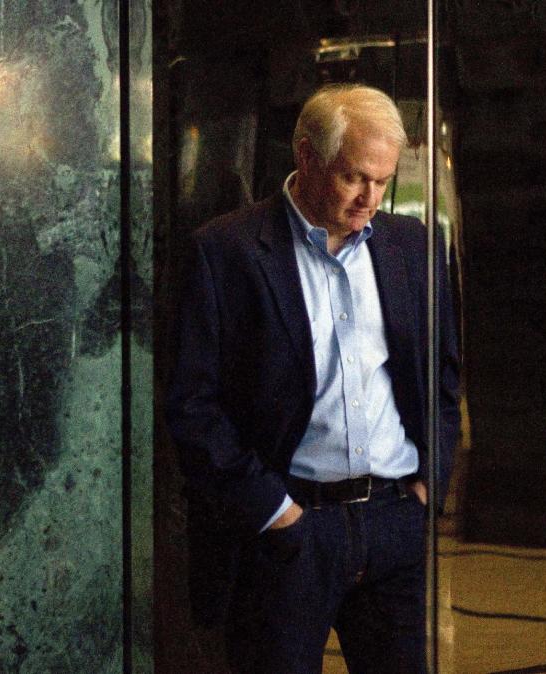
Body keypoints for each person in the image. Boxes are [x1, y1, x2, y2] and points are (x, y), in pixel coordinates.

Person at [166, 83, 461, 674]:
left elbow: (442, 377)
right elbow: (192, 406)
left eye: (383, 181)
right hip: (290, 535)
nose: (371, 198)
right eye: (355, 177)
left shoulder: (413, 247)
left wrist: (427, 483)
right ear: (306, 156)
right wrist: (274, 512)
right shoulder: (224, 252)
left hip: (394, 522)